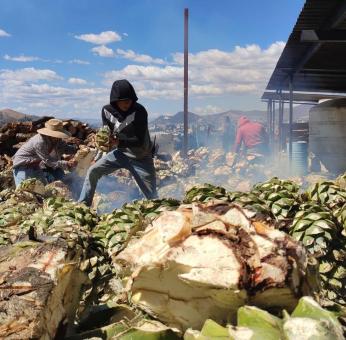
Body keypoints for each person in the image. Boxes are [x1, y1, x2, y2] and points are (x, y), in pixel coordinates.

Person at [78, 79, 157, 206]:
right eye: (124, 101)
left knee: (152, 197)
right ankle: (83, 204)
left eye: (130, 100)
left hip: (141, 157)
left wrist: (118, 142)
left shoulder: (139, 111)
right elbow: (107, 131)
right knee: (93, 171)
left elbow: (139, 140)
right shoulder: (107, 111)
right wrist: (104, 140)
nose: (128, 103)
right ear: (116, 101)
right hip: (121, 154)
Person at [12, 118, 77, 187]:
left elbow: (65, 147)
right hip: (23, 165)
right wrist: (67, 164)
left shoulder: (56, 139)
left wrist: (78, 149)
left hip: (35, 165)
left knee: (43, 190)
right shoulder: (40, 142)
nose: (58, 137)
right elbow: (49, 161)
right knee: (25, 190)